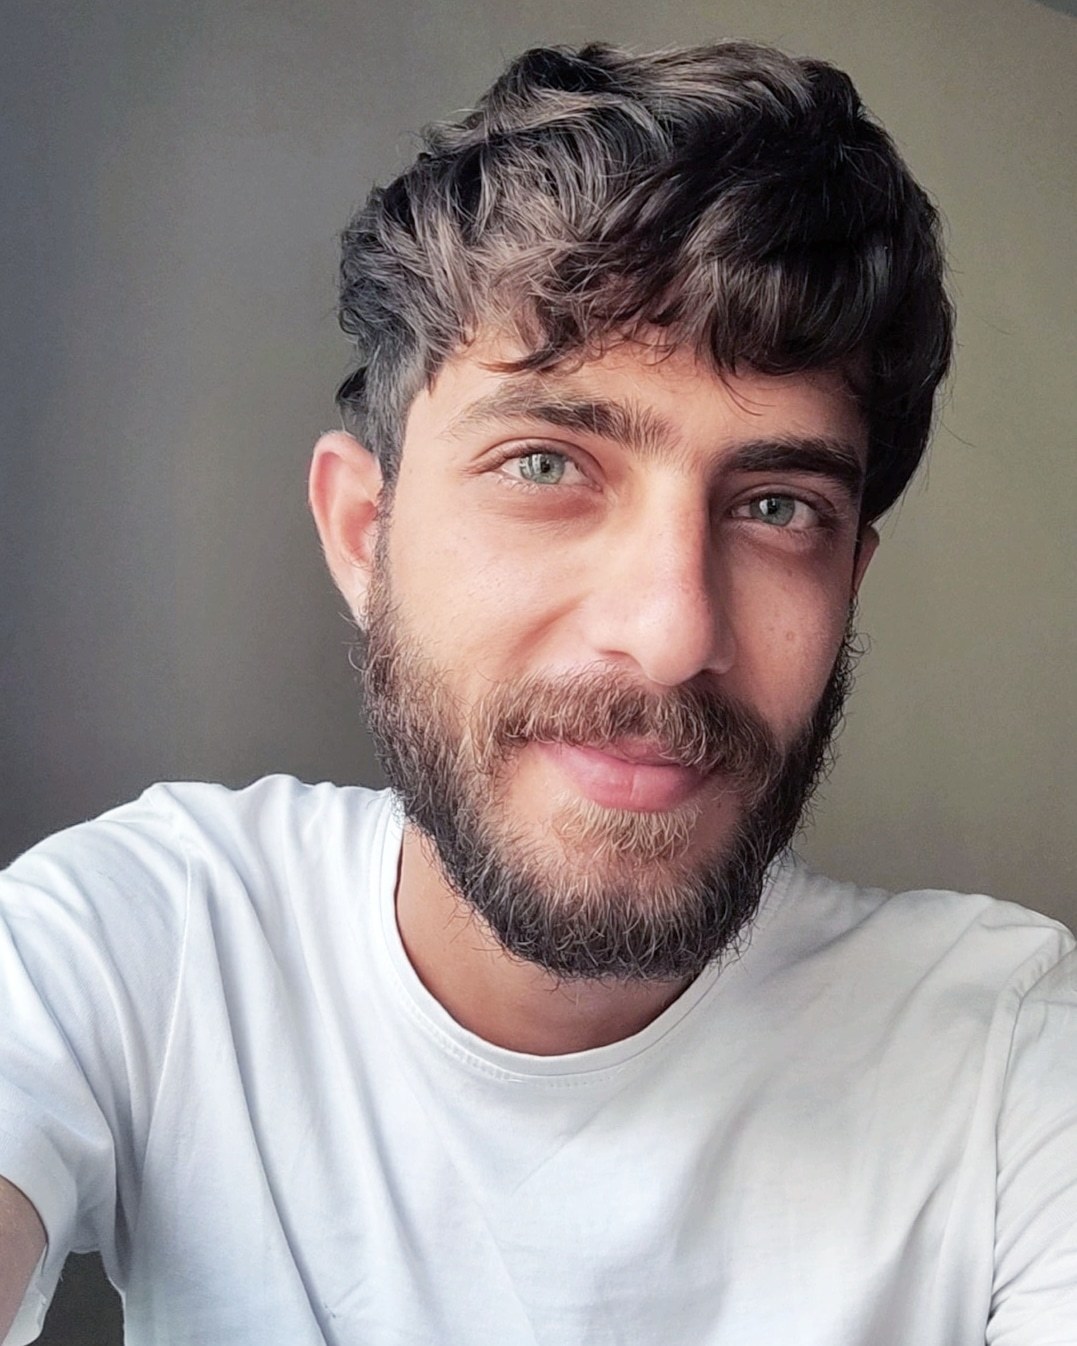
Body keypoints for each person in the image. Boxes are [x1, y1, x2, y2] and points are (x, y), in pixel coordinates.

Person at [0, 39, 1073, 1346]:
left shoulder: (1008, 1061)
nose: (672, 634)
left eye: (777, 506)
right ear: (364, 535)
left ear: (849, 577)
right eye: (545, 465)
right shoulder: (148, 943)